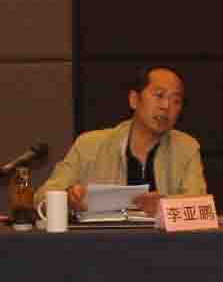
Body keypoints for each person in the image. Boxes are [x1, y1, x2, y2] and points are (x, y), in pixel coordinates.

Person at [41, 66, 207, 215]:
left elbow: (201, 207)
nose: (166, 106)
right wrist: (67, 200)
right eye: (159, 95)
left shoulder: (186, 148)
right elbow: (43, 197)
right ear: (134, 100)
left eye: (176, 101)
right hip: (104, 238)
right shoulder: (89, 145)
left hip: (163, 240)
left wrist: (164, 205)